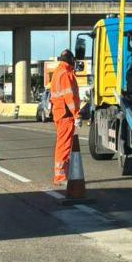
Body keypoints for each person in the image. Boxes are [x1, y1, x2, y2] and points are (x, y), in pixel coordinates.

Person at [50, 49, 81, 186]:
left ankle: (61, 175)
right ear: (70, 60)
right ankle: (60, 177)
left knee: (62, 145)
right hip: (65, 114)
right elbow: (69, 97)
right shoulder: (65, 74)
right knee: (64, 146)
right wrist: (76, 114)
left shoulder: (58, 72)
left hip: (60, 112)